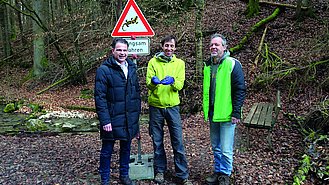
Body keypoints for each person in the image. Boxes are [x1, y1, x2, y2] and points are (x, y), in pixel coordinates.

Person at [146, 35, 192, 185]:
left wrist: (172, 82)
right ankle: (160, 171)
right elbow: (148, 84)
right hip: (156, 106)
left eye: (172, 46)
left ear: (175, 48)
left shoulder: (179, 63)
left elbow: (180, 84)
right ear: (162, 46)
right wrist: (154, 83)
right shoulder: (153, 62)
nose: (169, 49)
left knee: (177, 140)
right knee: (157, 141)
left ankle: (182, 174)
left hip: (172, 107)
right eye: (166, 46)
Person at [94, 38, 141, 185]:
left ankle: (124, 175)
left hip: (128, 117)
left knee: (126, 148)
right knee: (107, 150)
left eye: (125, 50)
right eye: (119, 50)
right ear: (113, 50)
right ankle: (105, 179)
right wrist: (105, 120)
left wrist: (136, 122)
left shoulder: (132, 68)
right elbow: (100, 98)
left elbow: (136, 95)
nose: (122, 53)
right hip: (112, 117)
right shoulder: (104, 70)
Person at [203, 33, 246, 185]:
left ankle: (225, 174)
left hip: (227, 113)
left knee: (226, 148)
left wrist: (236, 112)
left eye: (217, 44)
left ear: (224, 47)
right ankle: (218, 171)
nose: (213, 47)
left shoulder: (232, 64)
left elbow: (240, 89)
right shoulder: (208, 65)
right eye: (211, 45)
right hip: (213, 112)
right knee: (216, 146)